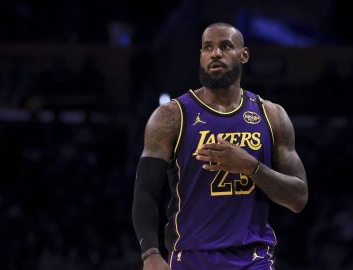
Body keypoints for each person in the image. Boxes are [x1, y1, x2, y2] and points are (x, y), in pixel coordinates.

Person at [132, 22, 308, 270]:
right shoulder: (171, 116)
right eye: (207, 47)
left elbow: (298, 197)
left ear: (244, 55)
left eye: (225, 46)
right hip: (191, 256)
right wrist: (150, 253)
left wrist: (252, 167)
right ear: (201, 56)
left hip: (253, 258)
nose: (215, 53)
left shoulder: (272, 115)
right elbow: (145, 192)